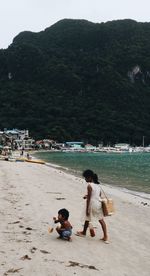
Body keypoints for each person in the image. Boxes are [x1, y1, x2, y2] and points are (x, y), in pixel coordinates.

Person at [76, 169, 109, 243]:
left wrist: (87, 209)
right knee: (101, 219)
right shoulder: (98, 186)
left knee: (87, 217)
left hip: (92, 204)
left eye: (86, 177)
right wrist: (87, 196)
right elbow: (98, 196)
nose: (85, 179)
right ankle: (105, 236)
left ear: (90, 177)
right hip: (98, 204)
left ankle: (84, 233)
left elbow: (89, 199)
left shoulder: (89, 185)